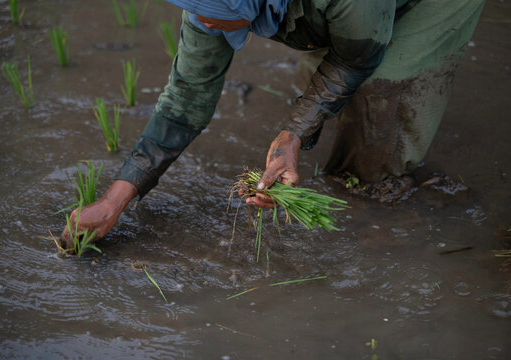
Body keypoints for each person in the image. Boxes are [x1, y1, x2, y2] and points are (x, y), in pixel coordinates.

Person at [61, 0, 484, 248]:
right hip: (346, 15)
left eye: (208, 12)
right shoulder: (214, 8)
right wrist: (114, 201)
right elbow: (184, 100)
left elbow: (357, 57)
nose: (200, 20)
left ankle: (383, 221)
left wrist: (293, 133)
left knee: (380, 105)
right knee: (321, 84)